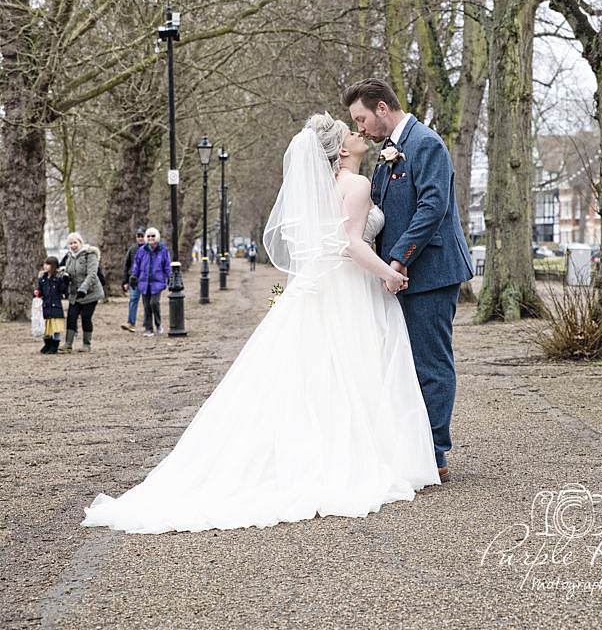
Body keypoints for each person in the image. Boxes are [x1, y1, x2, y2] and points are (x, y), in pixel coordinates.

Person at [81, 113, 439, 534]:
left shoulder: (327, 189)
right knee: (349, 369)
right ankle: (351, 456)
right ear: (341, 150)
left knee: (319, 373)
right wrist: (388, 273)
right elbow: (350, 244)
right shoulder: (356, 185)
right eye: (351, 132)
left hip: (319, 288)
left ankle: (317, 453)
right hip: (347, 287)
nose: (359, 133)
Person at [342, 79, 474, 484]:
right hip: (399, 275)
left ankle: (435, 453)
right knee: (403, 362)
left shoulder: (426, 143)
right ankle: (410, 445)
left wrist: (398, 259)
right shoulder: (387, 153)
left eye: (362, 118)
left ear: (382, 108)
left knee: (431, 363)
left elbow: (433, 206)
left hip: (431, 272)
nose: (360, 128)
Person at [63, 233, 105, 353]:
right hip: (75, 293)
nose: (73, 245)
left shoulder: (90, 254)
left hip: (90, 292)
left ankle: (86, 344)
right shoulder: (69, 256)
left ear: (80, 243)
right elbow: (67, 270)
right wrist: (65, 276)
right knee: (71, 316)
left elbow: (92, 274)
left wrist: (83, 289)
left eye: (75, 242)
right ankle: (68, 344)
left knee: (86, 317)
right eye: (70, 243)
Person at [129, 227, 170, 337]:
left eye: (153, 236)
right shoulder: (142, 250)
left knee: (154, 303)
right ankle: (149, 328)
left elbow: (166, 264)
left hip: (157, 282)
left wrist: (169, 277)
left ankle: (158, 324)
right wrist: (133, 276)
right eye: (149, 236)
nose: (151, 238)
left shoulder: (163, 250)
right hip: (144, 282)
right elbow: (136, 264)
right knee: (146, 305)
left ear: (157, 237)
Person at [36, 257, 69, 354]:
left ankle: (54, 345)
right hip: (45, 307)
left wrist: (65, 281)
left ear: (53, 266)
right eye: (45, 264)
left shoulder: (58, 279)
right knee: (46, 328)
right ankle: (47, 344)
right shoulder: (43, 279)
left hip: (56, 307)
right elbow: (40, 290)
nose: (45, 266)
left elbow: (64, 291)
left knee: (55, 328)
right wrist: (36, 293)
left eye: (48, 264)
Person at [121, 228, 146, 333]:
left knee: (147, 303)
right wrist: (125, 281)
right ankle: (131, 323)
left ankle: (147, 324)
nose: (140, 238)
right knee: (133, 300)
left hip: (146, 280)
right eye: (138, 236)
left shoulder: (149, 249)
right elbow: (126, 265)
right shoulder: (132, 248)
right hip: (134, 280)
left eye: (142, 236)